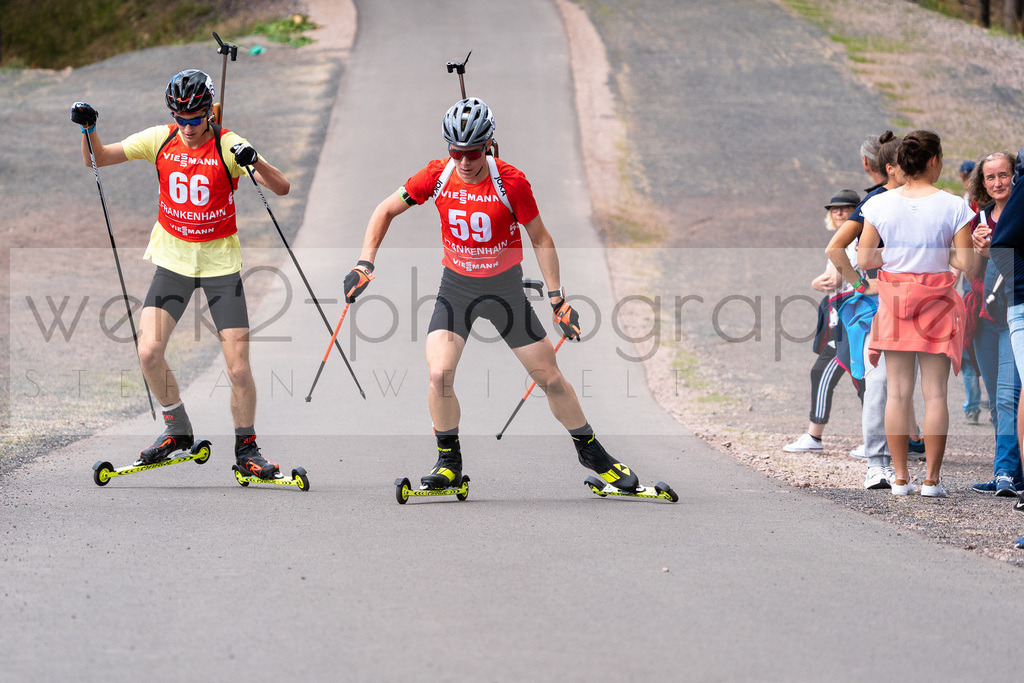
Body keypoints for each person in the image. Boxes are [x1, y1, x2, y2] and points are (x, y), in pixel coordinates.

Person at [342, 97, 641, 491]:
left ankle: (593, 452)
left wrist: (558, 300)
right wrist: (365, 263)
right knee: (438, 373)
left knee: (550, 379)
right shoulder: (436, 174)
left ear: (489, 145)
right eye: (456, 151)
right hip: (458, 288)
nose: (465, 161)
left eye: (474, 151)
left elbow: (541, 238)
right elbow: (384, 210)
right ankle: (449, 463)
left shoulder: (511, 182)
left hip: (505, 291)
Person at [70, 69, 290, 478]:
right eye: (180, 119)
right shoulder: (162, 138)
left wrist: (254, 160)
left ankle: (247, 448)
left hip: (221, 267)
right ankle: (177, 428)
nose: (187, 128)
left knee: (238, 367)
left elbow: (281, 187)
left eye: (195, 119)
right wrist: (89, 129)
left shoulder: (229, 144)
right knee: (149, 351)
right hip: (173, 263)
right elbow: (97, 158)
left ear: (209, 112)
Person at [858, 130, 975, 497]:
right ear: (934, 161)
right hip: (937, 304)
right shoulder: (954, 205)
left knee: (897, 393)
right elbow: (967, 263)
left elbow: (864, 259)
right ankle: (932, 481)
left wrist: (892, 258)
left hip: (894, 303)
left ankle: (901, 478)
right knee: (935, 394)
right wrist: (942, 256)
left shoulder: (879, 205)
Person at [826, 131, 907, 489]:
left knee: (906, 386)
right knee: (880, 382)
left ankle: (903, 462)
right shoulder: (874, 203)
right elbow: (835, 249)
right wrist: (861, 284)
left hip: (919, 302)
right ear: (891, 167)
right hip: (879, 305)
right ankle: (879, 463)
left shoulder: (929, 201)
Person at [783, 189, 865, 453]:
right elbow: (830, 276)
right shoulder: (841, 240)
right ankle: (906, 439)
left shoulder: (859, 238)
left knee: (858, 378)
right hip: (840, 317)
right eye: (834, 209)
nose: (839, 212)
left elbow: (843, 276)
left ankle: (817, 437)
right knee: (856, 377)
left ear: (856, 211)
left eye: (845, 208)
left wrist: (832, 279)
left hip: (854, 316)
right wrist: (817, 281)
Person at [965, 152, 1023, 496]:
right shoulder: (981, 217)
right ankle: (1007, 468)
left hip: (1011, 312)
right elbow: (970, 273)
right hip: (984, 316)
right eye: (991, 177)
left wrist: (992, 251)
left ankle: (1006, 472)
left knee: (1007, 396)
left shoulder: (1020, 213)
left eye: (1004, 175)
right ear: (982, 183)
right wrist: (976, 249)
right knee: (995, 397)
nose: (998, 182)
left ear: (1015, 176)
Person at [959, 159, 984, 424]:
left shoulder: (969, 207)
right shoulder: (969, 205)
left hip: (974, 286)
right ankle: (975, 404)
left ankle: (973, 406)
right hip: (972, 283)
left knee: (970, 353)